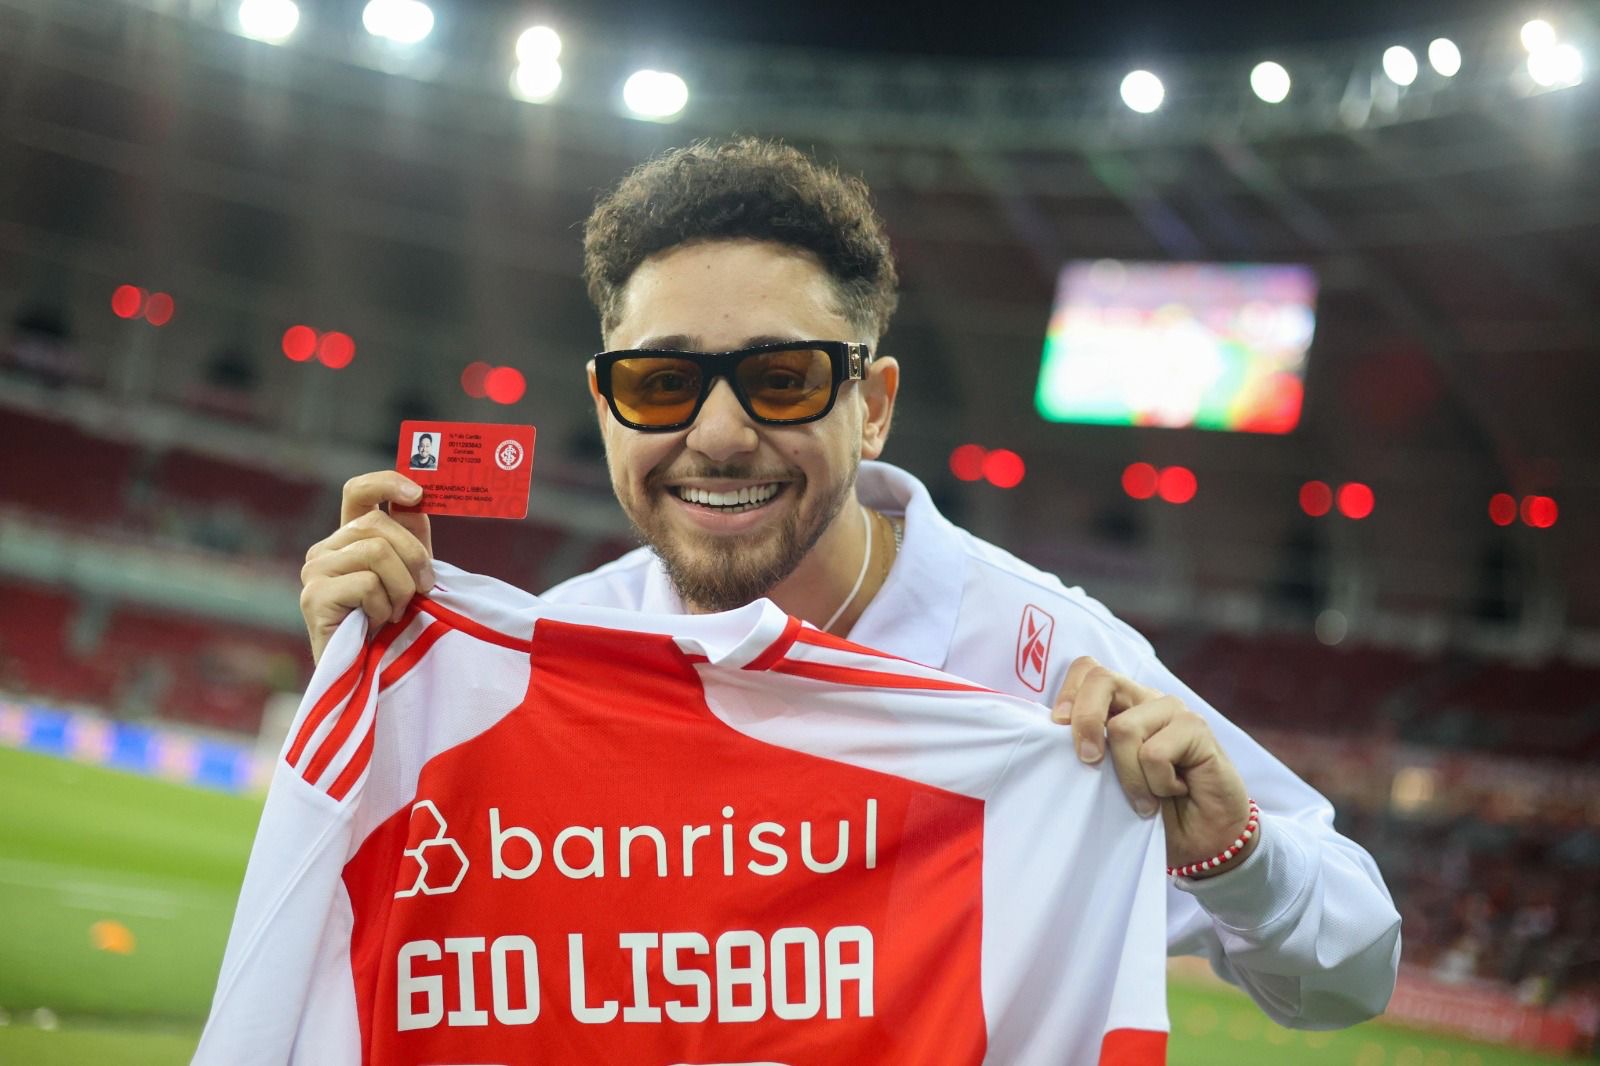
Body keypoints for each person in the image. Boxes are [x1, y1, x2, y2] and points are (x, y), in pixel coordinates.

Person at [300, 137, 1401, 1028]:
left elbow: (1354, 971)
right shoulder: (557, 650)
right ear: (606, 407)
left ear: (871, 407)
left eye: (782, 379)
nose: (717, 435)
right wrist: (370, 695)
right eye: (662, 382)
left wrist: (1230, 854)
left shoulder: (1050, 666)